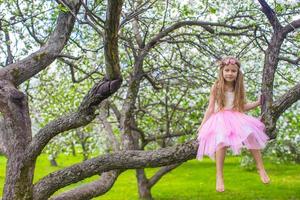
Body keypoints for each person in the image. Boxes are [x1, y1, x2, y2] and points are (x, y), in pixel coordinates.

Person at [196, 56, 270, 192]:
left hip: (236, 117)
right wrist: (202, 125)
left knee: (251, 134)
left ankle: (260, 167)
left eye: (233, 71)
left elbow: (241, 107)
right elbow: (210, 108)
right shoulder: (216, 86)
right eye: (227, 70)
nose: (230, 73)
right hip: (219, 118)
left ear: (238, 74)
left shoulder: (239, 88)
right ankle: (219, 175)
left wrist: (257, 103)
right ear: (222, 72)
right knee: (221, 141)